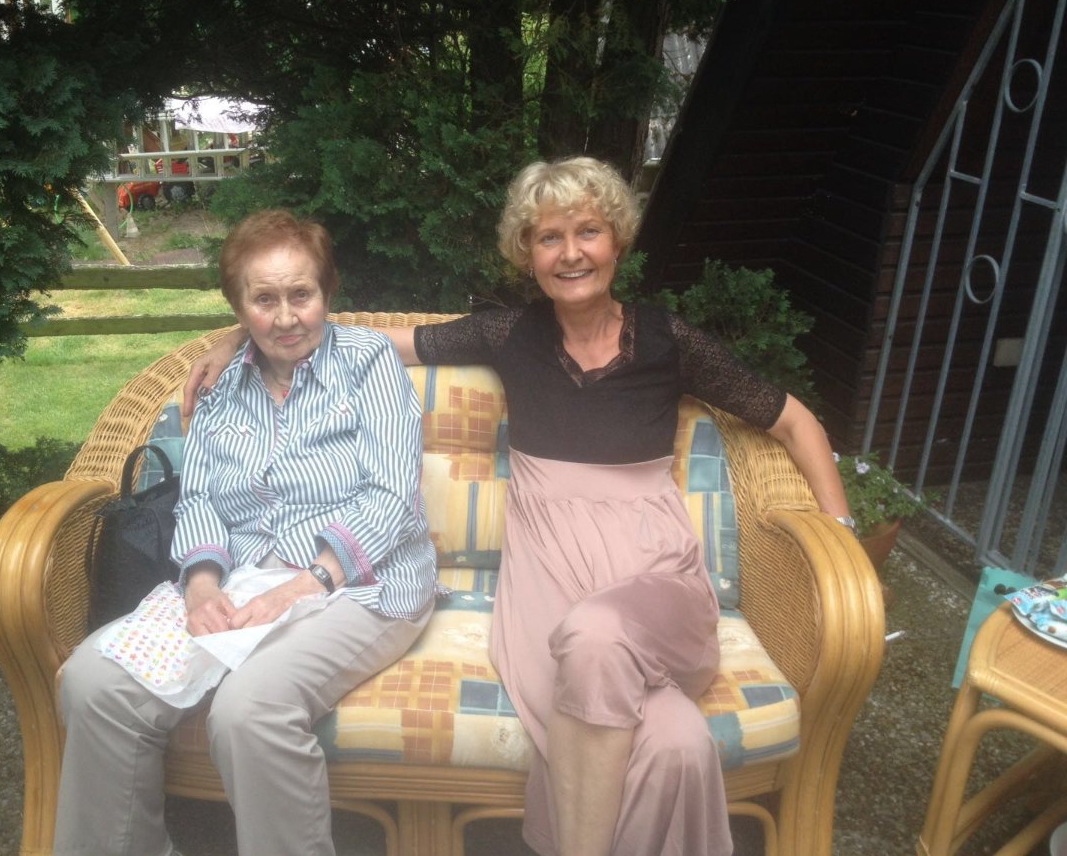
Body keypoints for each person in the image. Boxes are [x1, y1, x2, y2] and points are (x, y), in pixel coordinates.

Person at [184, 158, 853, 856]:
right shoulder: (510, 334)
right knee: (678, 742)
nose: (571, 253)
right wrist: (241, 336)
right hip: (548, 581)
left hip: (654, 578)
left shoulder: (668, 340)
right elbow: (353, 334)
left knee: (597, 634)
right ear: (527, 254)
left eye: (587, 232)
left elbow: (795, 421)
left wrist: (842, 536)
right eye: (549, 237)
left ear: (617, 240)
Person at [55, 209, 437, 856]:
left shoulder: (367, 362)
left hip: (363, 583)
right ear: (238, 308)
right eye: (264, 300)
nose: (286, 317)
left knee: (250, 710)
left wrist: (303, 586)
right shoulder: (221, 386)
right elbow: (200, 497)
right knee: (93, 683)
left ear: (327, 293)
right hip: (243, 579)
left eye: (301, 294)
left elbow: (391, 495)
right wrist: (202, 586)